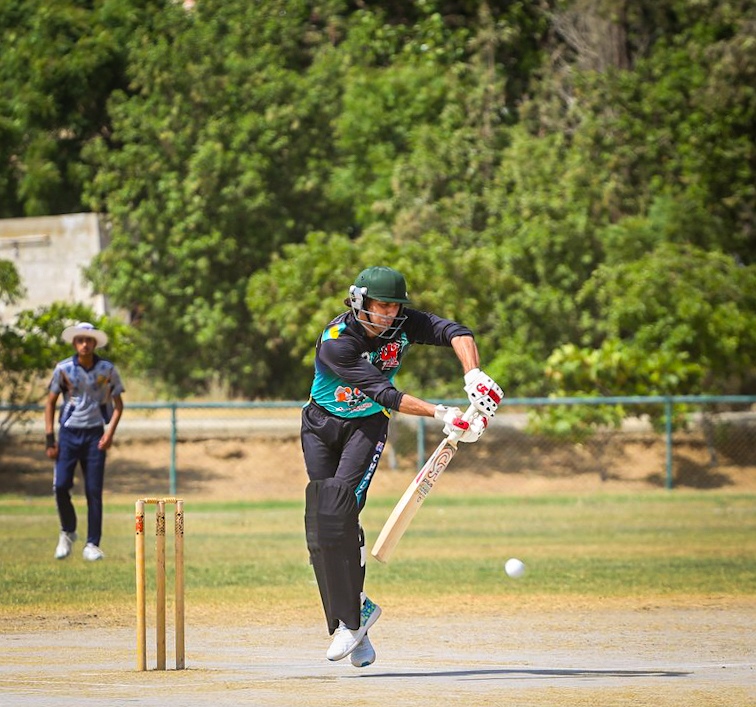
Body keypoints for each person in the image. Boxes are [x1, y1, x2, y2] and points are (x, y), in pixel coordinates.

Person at [302, 266, 502, 668]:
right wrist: (443, 413)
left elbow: (457, 332)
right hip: (320, 426)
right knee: (322, 528)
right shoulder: (337, 343)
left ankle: (352, 622)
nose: (390, 314)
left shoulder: (404, 323)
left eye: (395, 306)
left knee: (340, 515)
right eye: (382, 306)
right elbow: (384, 391)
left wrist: (473, 373)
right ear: (359, 302)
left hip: (366, 426)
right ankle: (357, 614)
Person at [44, 322, 124, 561]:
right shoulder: (64, 369)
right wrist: (50, 439)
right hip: (69, 433)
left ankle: (92, 544)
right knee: (60, 486)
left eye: (89, 340)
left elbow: (119, 406)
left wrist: (109, 434)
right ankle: (68, 531)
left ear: (95, 343)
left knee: (93, 490)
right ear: (74, 343)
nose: (85, 344)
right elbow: (50, 403)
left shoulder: (107, 369)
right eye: (80, 340)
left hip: (95, 435)